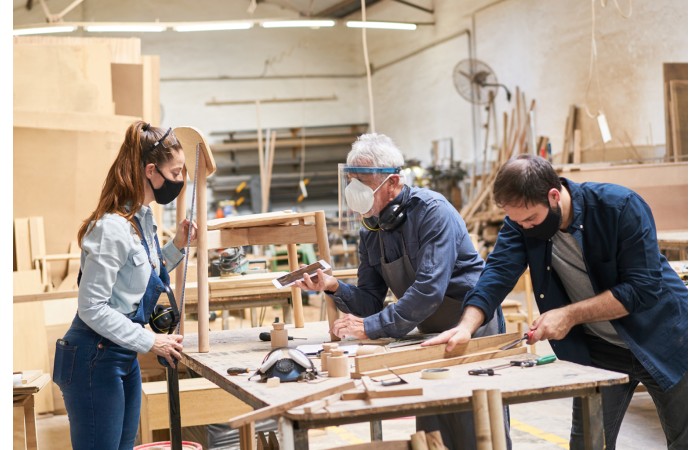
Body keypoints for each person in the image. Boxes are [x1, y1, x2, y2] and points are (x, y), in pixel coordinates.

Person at [424, 154, 688, 449]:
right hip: (603, 350)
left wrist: (568, 315)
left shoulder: (620, 207)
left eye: (531, 219)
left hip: (665, 338)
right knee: (588, 443)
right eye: (518, 222)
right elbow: (497, 273)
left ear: (553, 196)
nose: (525, 227)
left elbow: (642, 288)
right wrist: (466, 327)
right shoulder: (521, 223)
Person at [295, 133, 510, 450]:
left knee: (478, 428)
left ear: (393, 182)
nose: (354, 191)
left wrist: (370, 327)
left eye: (363, 183)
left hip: (473, 328)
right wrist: (333, 286)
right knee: (434, 430)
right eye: (351, 182)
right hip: (429, 334)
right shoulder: (371, 230)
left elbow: (428, 291)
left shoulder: (432, 212)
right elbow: (370, 301)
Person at [52, 121, 197, 450]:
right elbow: (92, 307)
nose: (179, 181)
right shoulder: (111, 228)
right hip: (94, 355)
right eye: (175, 172)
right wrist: (151, 341)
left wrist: (177, 244)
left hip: (122, 352)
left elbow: (145, 275)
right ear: (151, 171)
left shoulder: (143, 219)